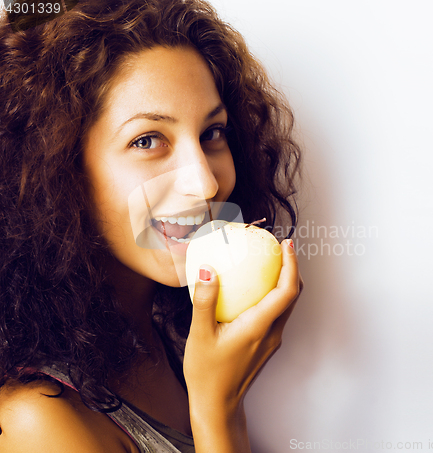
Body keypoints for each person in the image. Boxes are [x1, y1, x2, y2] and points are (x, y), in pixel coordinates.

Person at [0, 0, 303, 451]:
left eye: (211, 134)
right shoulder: (39, 419)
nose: (204, 182)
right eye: (147, 140)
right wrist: (218, 411)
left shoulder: (167, 336)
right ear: (58, 170)